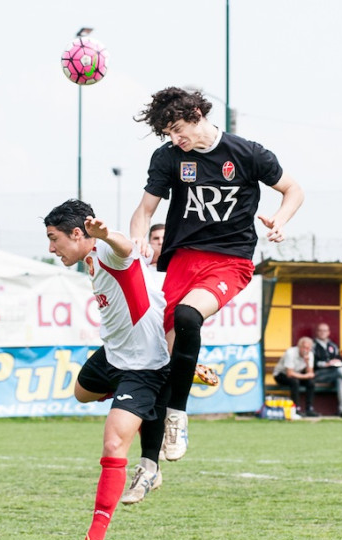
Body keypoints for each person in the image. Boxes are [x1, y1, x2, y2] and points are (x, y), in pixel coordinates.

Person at [129, 87, 304, 459]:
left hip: (230, 260)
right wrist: (138, 239)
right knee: (170, 353)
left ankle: (177, 419)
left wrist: (281, 220)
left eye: (178, 129)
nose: (176, 139)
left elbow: (293, 190)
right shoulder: (169, 158)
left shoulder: (247, 153)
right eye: (169, 134)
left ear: (196, 113)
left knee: (188, 315)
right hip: (181, 260)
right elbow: (144, 211)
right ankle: (149, 463)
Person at [44, 199, 170, 540]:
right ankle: (142, 408)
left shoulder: (107, 252)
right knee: (80, 393)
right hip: (112, 355)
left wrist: (106, 235)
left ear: (78, 234)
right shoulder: (90, 261)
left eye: (54, 239)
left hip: (142, 366)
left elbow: (126, 249)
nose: (51, 248)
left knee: (114, 443)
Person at [272, 337, 316, 416]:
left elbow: (310, 373)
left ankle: (309, 409)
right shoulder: (291, 352)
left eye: (308, 348)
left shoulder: (310, 354)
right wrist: (306, 376)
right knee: (295, 382)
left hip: (297, 374)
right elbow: (289, 373)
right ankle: (296, 408)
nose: (306, 350)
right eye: (304, 347)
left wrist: (307, 362)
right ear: (299, 347)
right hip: (281, 375)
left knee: (311, 383)